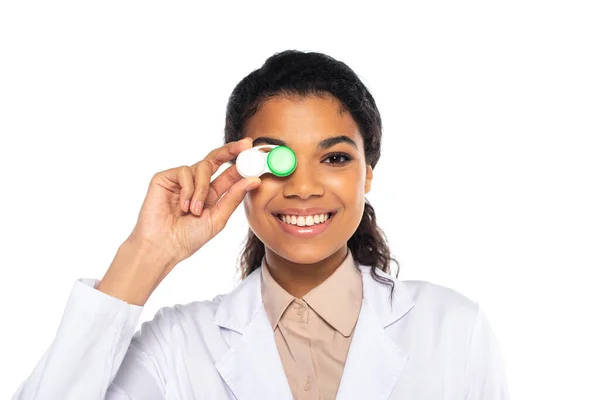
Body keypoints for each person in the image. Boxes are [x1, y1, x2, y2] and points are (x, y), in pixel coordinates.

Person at [12, 50, 509, 399]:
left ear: (368, 175)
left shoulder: (454, 329)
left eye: (335, 157)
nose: (304, 188)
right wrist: (150, 251)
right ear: (240, 172)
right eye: (277, 160)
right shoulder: (179, 344)